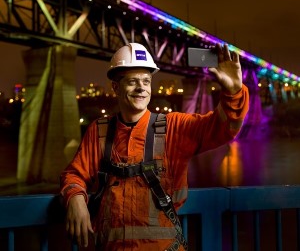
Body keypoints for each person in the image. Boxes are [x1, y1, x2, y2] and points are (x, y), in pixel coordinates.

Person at [60, 42, 249, 250]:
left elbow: (223, 128)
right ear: (115, 86)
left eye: (146, 81)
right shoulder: (99, 131)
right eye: (132, 81)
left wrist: (233, 92)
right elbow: (74, 174)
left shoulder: (174, 128)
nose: (141, 88)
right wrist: (75, 198)